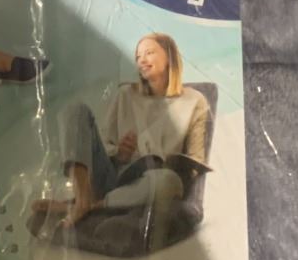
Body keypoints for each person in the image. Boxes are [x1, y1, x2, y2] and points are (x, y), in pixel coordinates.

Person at [31, 33, 211, 230]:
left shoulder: (195, 101)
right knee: (75, 110)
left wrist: (170, 164)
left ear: (169, 56)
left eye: (149, 53)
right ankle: (82, 198)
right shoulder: (125, 94)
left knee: (170, 181)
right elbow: (102, 144)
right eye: (138, 56)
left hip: (149, 180)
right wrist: (121, 154)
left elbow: (195, 162)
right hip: (113, 174)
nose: (142, 60)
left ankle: (87, 205)